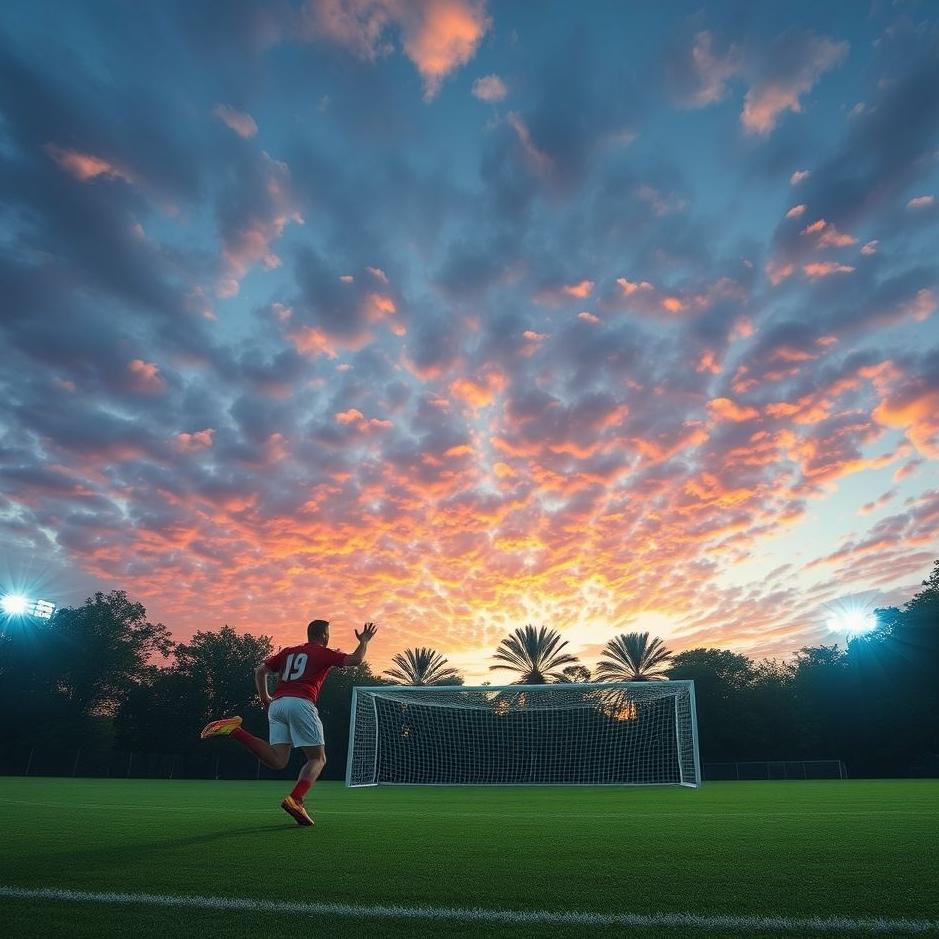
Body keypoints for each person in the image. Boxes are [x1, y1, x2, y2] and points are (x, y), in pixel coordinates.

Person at [200, 619, 378, 826]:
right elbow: (356, 659)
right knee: (318, 759)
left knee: (278, 761)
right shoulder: (322, 652)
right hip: (300, 704)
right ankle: (296, 799)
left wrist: (265, 698)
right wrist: (364, 641)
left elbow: (259, 671)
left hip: (277, 705)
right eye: (328, 634)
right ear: (324, 636)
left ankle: (234, 730)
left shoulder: (288, 652)